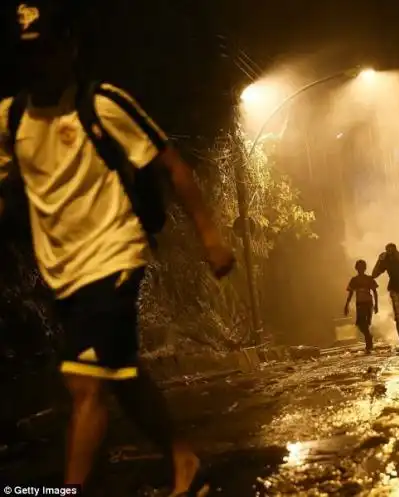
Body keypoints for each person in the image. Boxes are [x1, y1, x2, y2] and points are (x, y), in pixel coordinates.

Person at [0, 2, 234, 494]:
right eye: (28, 54)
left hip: (114, 257)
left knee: (85, 384)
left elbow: (173, 166)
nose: (37, 64)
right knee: (123, 376)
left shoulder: (102, 105)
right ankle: (182, 459)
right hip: (61, 273)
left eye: (46, 51)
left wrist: (210, 238)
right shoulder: (10, 119)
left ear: (69, 49)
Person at [344, 259, 378, 353]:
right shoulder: (354, 280)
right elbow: (350, 293)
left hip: (368, 302)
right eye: (359, 267)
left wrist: (376, 305)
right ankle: (369, 339)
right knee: (360, 324)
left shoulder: (369, 279)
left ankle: (368, 344)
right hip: (360, 303)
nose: (360, 269)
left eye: (362, 267)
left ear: (365, 268)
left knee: (366, 323)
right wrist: (346, 305)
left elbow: (375, 291)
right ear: (356, 268)